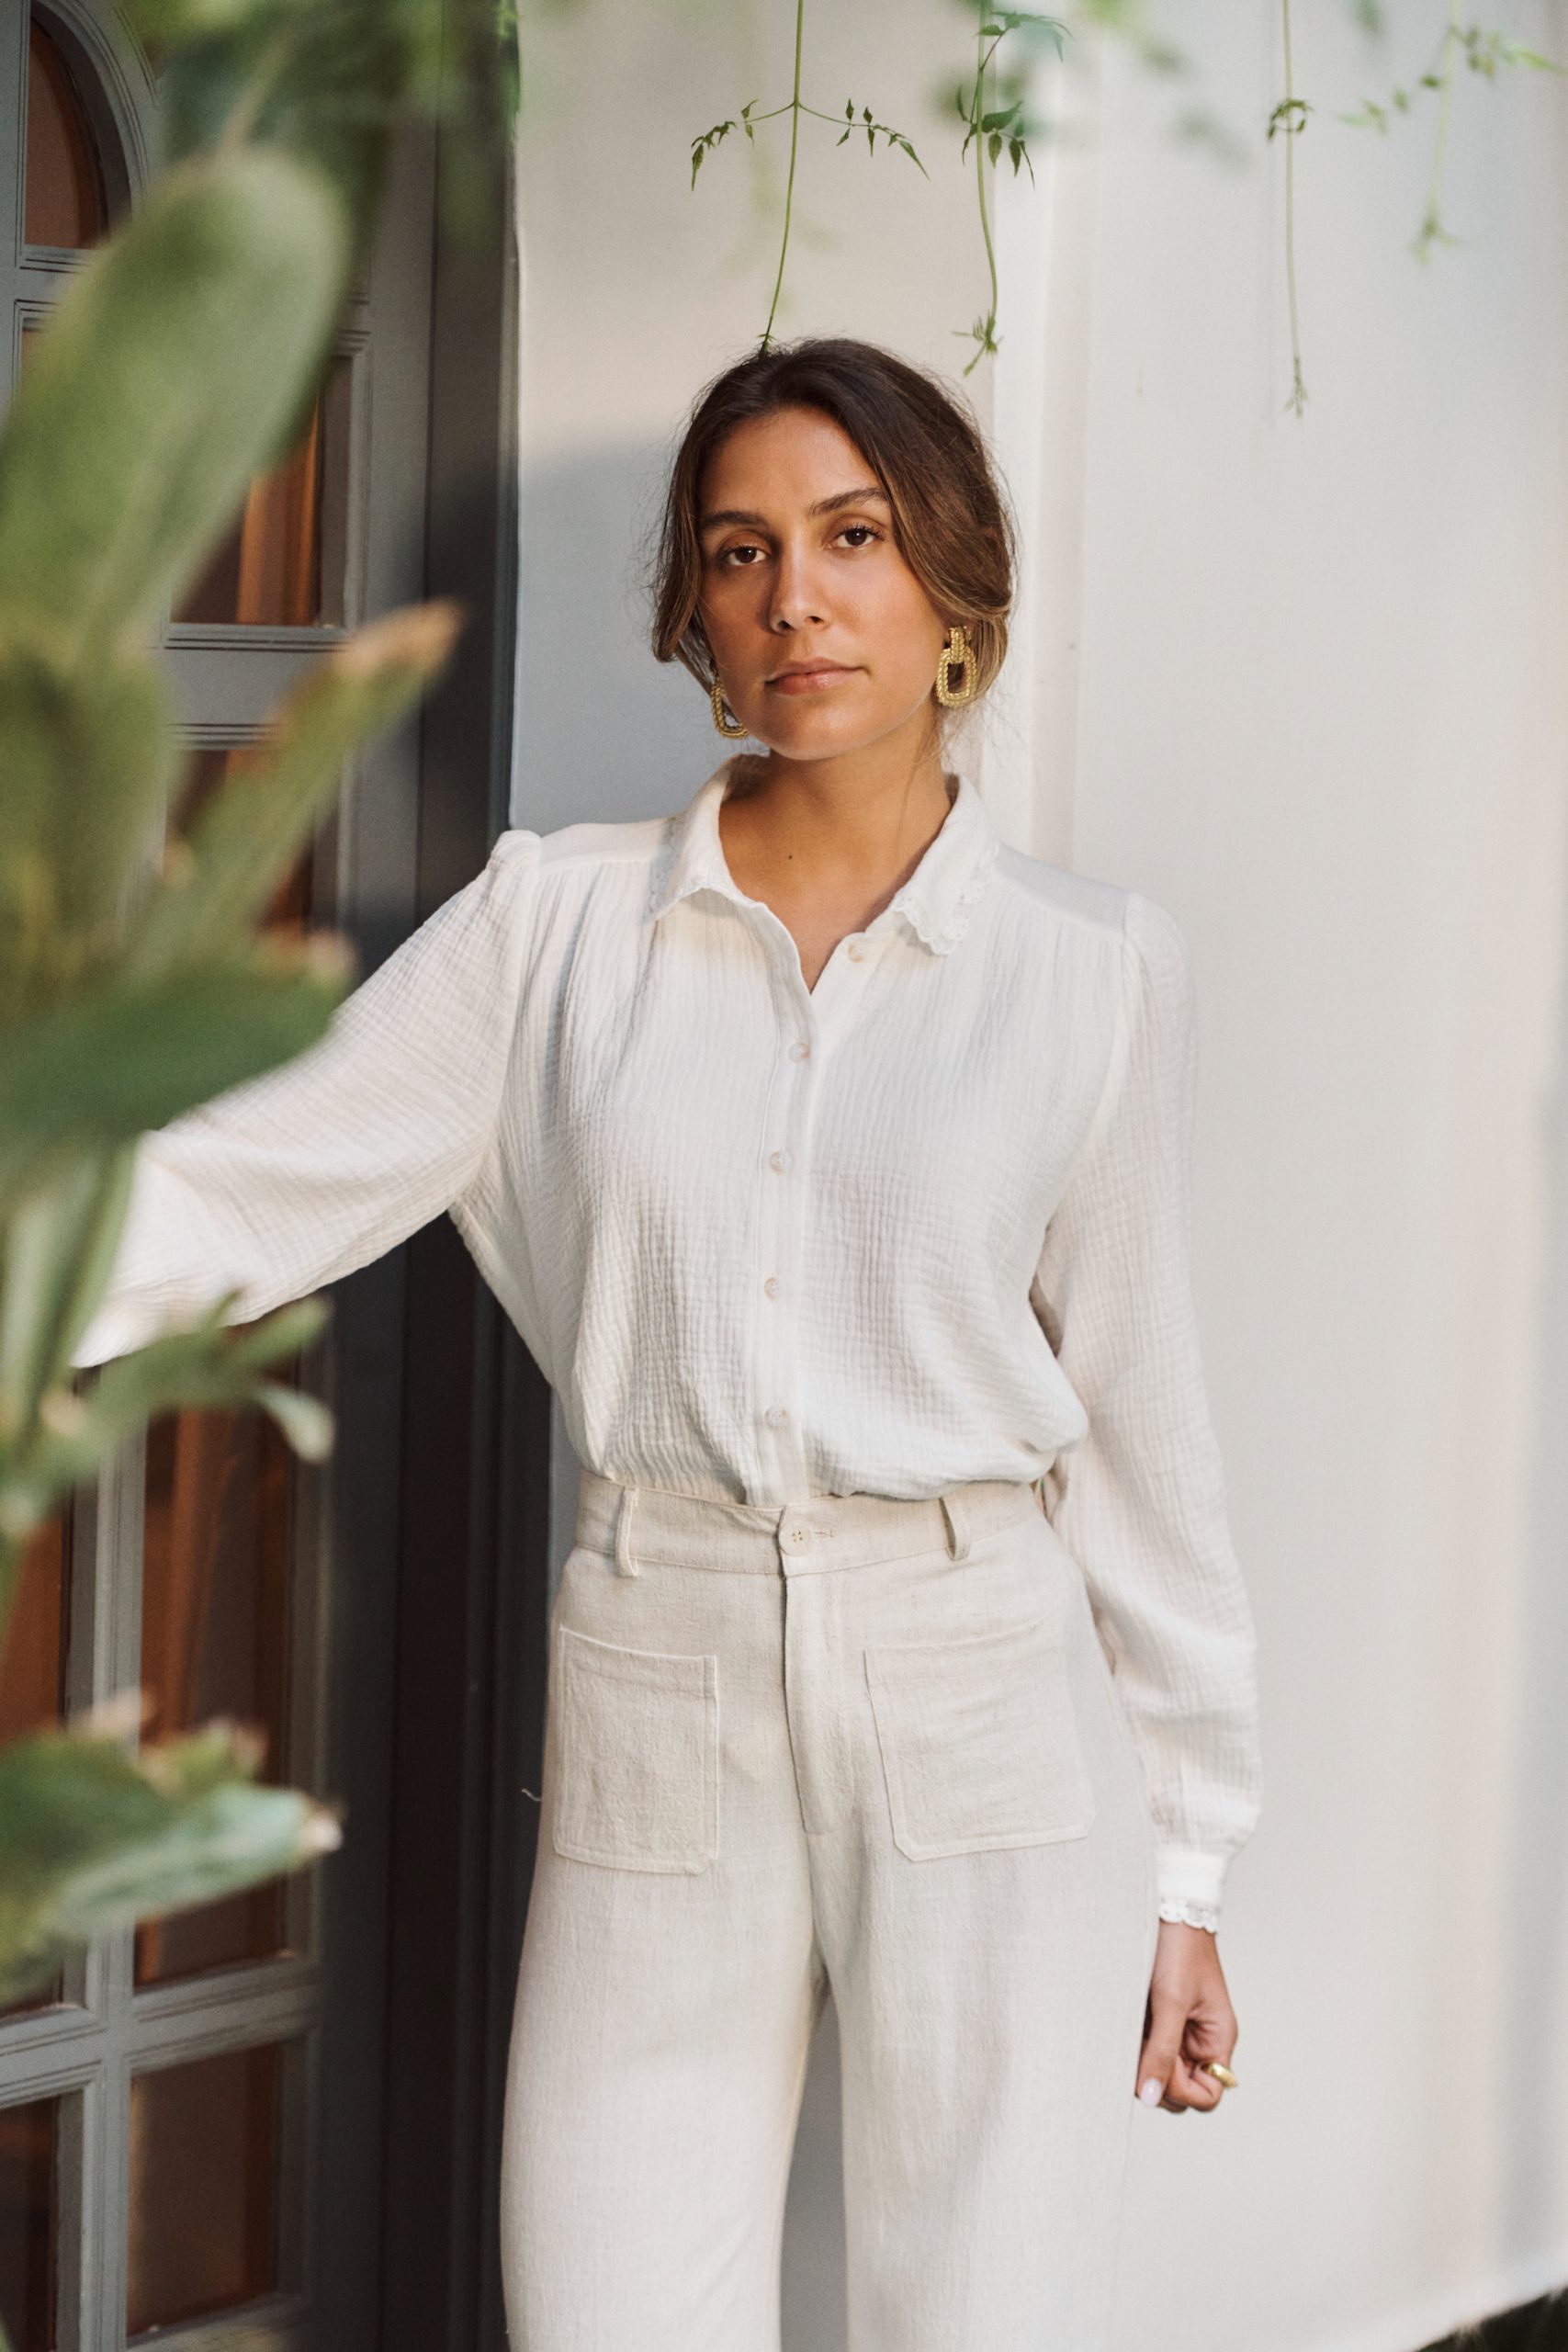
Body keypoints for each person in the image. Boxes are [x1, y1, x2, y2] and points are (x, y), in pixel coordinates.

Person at [73, 335, 1262, 2350]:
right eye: (738, 550)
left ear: (952, 587)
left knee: (991, 2313)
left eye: (852, 537)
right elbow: (242, 1185)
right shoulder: (554, 928)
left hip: (975, 1672)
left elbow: (1141, 1425)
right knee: (608, 2301)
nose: (795, 597)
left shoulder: (1092, 974)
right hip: (660, 1644)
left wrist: (1191, 1865)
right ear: (695, 617)